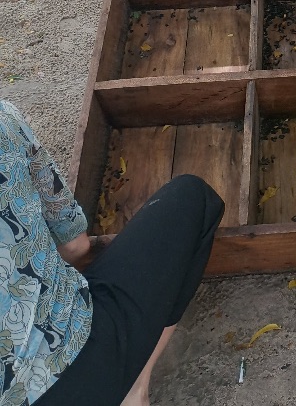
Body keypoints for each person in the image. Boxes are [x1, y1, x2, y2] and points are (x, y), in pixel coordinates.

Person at [0, 100, 223, 405]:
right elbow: (76, 246)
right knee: (194, 197)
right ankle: (135, 388)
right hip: (79, 365)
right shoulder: (3, 120)